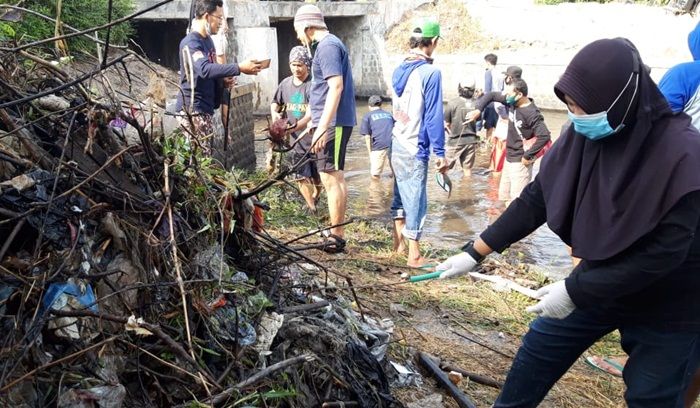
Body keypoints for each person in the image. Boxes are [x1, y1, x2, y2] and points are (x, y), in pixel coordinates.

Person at [436, 38, 700, 407]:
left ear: (620, 99)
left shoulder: (684, 156)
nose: (575, 116)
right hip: (604, 271)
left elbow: (664, 254)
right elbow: (538, 197)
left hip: (672, 298)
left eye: (581, 107)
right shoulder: (586, 132)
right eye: (570, 106)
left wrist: (576, 291)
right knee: (542, 345)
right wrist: (475, 251)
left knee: (651, 395)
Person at [293, 4, 356, 252]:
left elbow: (336, 87)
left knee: (331, 177)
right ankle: (336, 233)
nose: (298, 35)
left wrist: (323, 126)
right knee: (330, 175)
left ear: (308, 27)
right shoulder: (325, 46)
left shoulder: (328, 46)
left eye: (298, 30)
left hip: (335, 123)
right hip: (329, 122)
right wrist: (307, 124)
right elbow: (321, 94)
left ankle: (336, 236)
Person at [390, 18, 449, 268]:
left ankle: (398, 246)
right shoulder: (430, 73)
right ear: (433, 42)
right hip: (415, 145)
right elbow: (433, 115)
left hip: (397, 140)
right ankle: (414, 256)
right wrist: (441, 152)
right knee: (416, 197)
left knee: (400, 195)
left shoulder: (399, 68)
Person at [176, 0, 261, 154]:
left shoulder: (208, 41)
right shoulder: (190, 43)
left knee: (205, 158)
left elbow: (213, 71)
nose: (221, 23)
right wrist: (238, 67)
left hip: (206, 109)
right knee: (197, 160)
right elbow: (204, 69)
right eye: (219, 18)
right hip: (193, 110)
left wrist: (223, 80)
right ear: (207, 16)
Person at [468, 78, 550, 206]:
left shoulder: (532, 114)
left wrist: (528, 156)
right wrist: (478, 110)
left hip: (520, 162)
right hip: (509, 158)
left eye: (509, 94)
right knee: (503, 197)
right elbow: (492, 95)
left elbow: (544, 136)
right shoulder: (512, 103)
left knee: (518, 203)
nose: (506, 97)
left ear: (519, 95)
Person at [270, 46, 320, 213]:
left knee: (317, 176)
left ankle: (317, 193)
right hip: (295, 142)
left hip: (313, 139)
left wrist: (291, 129)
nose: (296, 69)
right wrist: (275, 115)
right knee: (300, 176)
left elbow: (310, 115)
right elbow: (275, 103)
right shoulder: (285, 84)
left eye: (300, 65)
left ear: (307, 65)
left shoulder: (313, 85)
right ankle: (311, 207)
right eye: (293, 64)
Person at [489, 65, 523, 176]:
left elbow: (498, 107)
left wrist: (507, 118)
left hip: (503, 132)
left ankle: (495, 192)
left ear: (510, 78)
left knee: (497, 166)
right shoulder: (523, 92)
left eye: (507, 76)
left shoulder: (506, 92)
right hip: (517, 134)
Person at [444, 80, 479, 177]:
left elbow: (447, 123)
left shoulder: (452, 103)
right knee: (467, 170)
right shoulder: (477, 104)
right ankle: (467, 189)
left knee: (444, 168)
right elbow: (479, 119)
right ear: (473, 90)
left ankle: (443, 190)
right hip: (471, 140)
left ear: (459, 88)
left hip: (455, 140)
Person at [360, 95, 394, 179]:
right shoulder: (389, 115)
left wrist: (370, 153)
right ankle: (392, 189)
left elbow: (367, 137)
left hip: (379, 146)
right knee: (395, 172)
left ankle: (376, 191)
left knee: (375, 175)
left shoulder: (367, 116)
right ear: (380, 105)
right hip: (393, 144)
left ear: (369, 106)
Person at [482, 53, 501, 142]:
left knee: (489, 125)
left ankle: (488, 144)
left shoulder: (488, 73)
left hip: (491, 103)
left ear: (488, 62)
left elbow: (487, 90)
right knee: (498, 125)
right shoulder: (500, 73)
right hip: (500, 102)